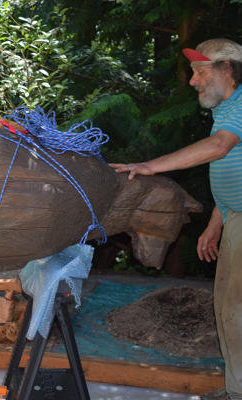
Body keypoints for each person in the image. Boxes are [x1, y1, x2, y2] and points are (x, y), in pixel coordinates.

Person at [110, 38, 242, 400]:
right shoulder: (226, 112)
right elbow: (234, 172)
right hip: (235, 219)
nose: (193, 81)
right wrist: (216, 226)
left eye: (200, 71)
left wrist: (148, 167)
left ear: (227, 69)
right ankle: (236, 390)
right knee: (227, 307)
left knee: (238, 309)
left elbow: (218, 149)